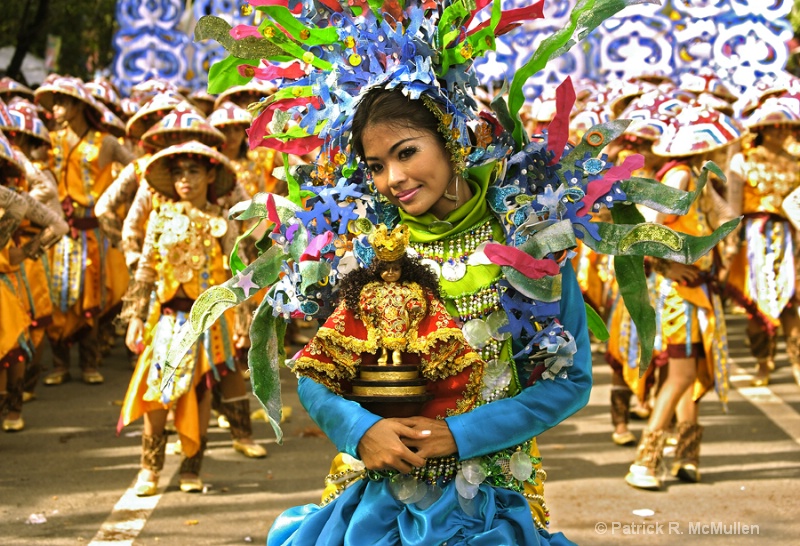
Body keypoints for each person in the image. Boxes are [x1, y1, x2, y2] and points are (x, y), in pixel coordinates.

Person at [180, 1, 738, 543]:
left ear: (450, 139)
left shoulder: (531, 242)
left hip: (486, 501)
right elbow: (316, 374)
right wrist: (360, 430)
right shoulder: (365, 250)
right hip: (377, 503)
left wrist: (462, 435)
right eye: (375, 166)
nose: (391, 179)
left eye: (406, 153)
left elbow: (567, 382)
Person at [118, 140, 252, 495]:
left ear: (210, 174)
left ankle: (192, 468)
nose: (185, 180)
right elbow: (145, 272)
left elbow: (236, 276)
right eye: (178, 173)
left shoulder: (223, 221)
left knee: (202, 392)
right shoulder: (159, 217)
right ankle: (149, 469)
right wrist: (134, 318)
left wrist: (242, 319)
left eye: (193, 171)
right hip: (165, 321)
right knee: (156, 393)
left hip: (209, 321)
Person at [624, 104, 741, 490]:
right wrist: (666, 267)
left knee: (690, 372)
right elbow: (646, 230)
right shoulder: (678, 174)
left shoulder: (695, 175)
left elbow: (723, 217)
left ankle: (687, 456)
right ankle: (645, 459)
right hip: (680, 293)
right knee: (681, 375)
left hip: (696, 289)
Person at [33, 76, 133, 386]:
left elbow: (136, 168)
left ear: (78, 106)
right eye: (54, 104)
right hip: (60, 229)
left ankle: (89, 362)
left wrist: (113, 198)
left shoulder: (105, 141)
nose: (56, 109)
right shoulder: (48, 140)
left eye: (62, 102)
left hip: (94, 230)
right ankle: (60, 364)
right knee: (58, 292)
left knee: (94, 293)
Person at [727, 97, 800, 387]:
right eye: (774, 127)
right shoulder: (742, 159)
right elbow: (733, 204)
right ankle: (762, 363)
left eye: (785, 127)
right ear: (762, 130)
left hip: (790, 237)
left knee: (792, 303)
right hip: (755, 238)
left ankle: (796, 362)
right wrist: (730, 241)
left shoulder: (797, 160)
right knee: (757, 305)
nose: (780, 132)